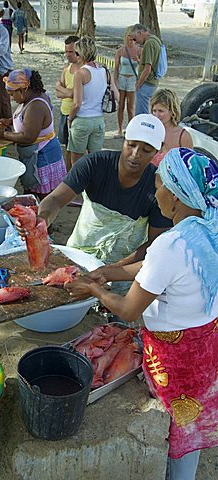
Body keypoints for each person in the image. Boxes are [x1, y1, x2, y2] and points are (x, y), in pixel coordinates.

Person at [65, 147, 218, 480]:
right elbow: (158, 270)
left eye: (160, 184)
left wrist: (94, 289)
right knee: (189, 422)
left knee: (176, 424)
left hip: (175, 354)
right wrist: (109, 272)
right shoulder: (207, 230)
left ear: (176, 196)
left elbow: (129, 310)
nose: (155, 191)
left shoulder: (171, 243)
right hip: (204, 346)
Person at [17, 114, 172, 293]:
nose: (136, 155)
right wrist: (41, 220)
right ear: (124, 139)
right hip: (79, 256)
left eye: (146, 150)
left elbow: (154, 243)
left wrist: (112, 270)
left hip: (123, 269)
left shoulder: (158, 187)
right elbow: (56, 199)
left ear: (158, 150)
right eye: (131, 145)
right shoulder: (94, 164)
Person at [0, 69, 67, 199]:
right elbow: (26, 119)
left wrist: (3, 135)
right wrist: (9, 121)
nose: (11, 98)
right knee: (32, 198)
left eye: (12, 94)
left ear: (23, 90)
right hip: (38, 156)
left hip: (43, 159)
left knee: (42, 200)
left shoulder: (35, 106)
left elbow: (28, 137)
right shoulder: (31, 97)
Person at [67, 36, 108, 166]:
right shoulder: (104, 71)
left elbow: (77, 104)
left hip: (82, 120)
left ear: (81, 54)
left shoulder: (81, 73)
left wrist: (70, 118)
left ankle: (78, 186)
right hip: (99, 120)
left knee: (77, 163)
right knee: (95, 161)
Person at [55, 35, 80, 171]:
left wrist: (61, 88)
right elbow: (59, 93)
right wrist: (66, 91)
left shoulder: (83, 71)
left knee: (75, 150)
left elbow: (71, 93)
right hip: (64, 112)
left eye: (71, 52)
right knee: (67, 148)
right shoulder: (66, 69)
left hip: (76, 114)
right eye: (66, 51)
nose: (68, 55)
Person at [151, 88, 193, 167]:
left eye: (160, 111)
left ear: (172, 111)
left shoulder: (183, 136)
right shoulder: (151, 131)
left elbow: (189, 167)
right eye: (154, 111)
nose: (156, 115)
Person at [113, 26, 141, 138]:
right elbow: (116, 68)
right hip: (121, 78)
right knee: (120, 106)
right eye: (128, 37)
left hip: (132, 79)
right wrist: (114, 82)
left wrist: (138, 60)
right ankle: (119, 129)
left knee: (130, 107)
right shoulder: (120, 51)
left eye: (132, 37)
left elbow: (144, 66)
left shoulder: (139, 50)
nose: (130, 40)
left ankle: (130, 130)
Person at [129, 24, 161, 115]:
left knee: (141, 114)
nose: (136, 42)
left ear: (139, 33)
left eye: (135, 39)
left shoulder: (149, 43)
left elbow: (147, 69)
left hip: (147, 83)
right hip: (153, 81)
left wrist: (138, 85)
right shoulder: (155, 40)